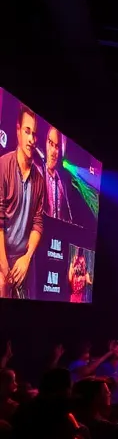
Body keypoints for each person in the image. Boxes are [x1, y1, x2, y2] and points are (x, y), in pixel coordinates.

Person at [0, 105, 46, 299]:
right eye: (27, 131)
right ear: (18, 131)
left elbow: (38, 223)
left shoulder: (39, 180)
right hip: (2, 255)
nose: (31, 139)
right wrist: (4, 269)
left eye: (34, 134)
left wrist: (26, 259)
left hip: (23, 260)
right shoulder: (3, 166)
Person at [43, 125, 74, 223]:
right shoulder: (38, 173)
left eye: (57, 146)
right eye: (51, 143)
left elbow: (67, 218)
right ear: (46, 143)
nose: (53, 151)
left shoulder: (62, 184)